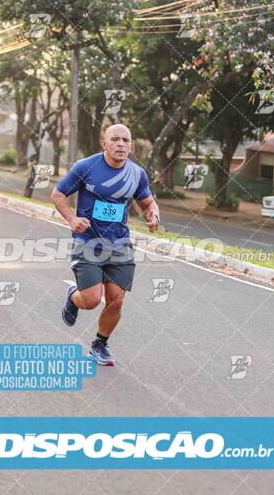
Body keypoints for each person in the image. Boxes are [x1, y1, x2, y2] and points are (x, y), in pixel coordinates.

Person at [51, 124, 160, 366]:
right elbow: (57, 195)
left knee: (116, 300)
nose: (121, 144)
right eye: (115, 139)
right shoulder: (85, 167)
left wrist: (153, 215)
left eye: (125, 140)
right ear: (104, 144)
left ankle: (99, 344)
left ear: (131, 146)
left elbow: (148, 203)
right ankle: (73, 297)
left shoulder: (137, 173)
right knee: (90, 300)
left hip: (119, 245)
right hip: (87, 242)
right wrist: (72, 219)